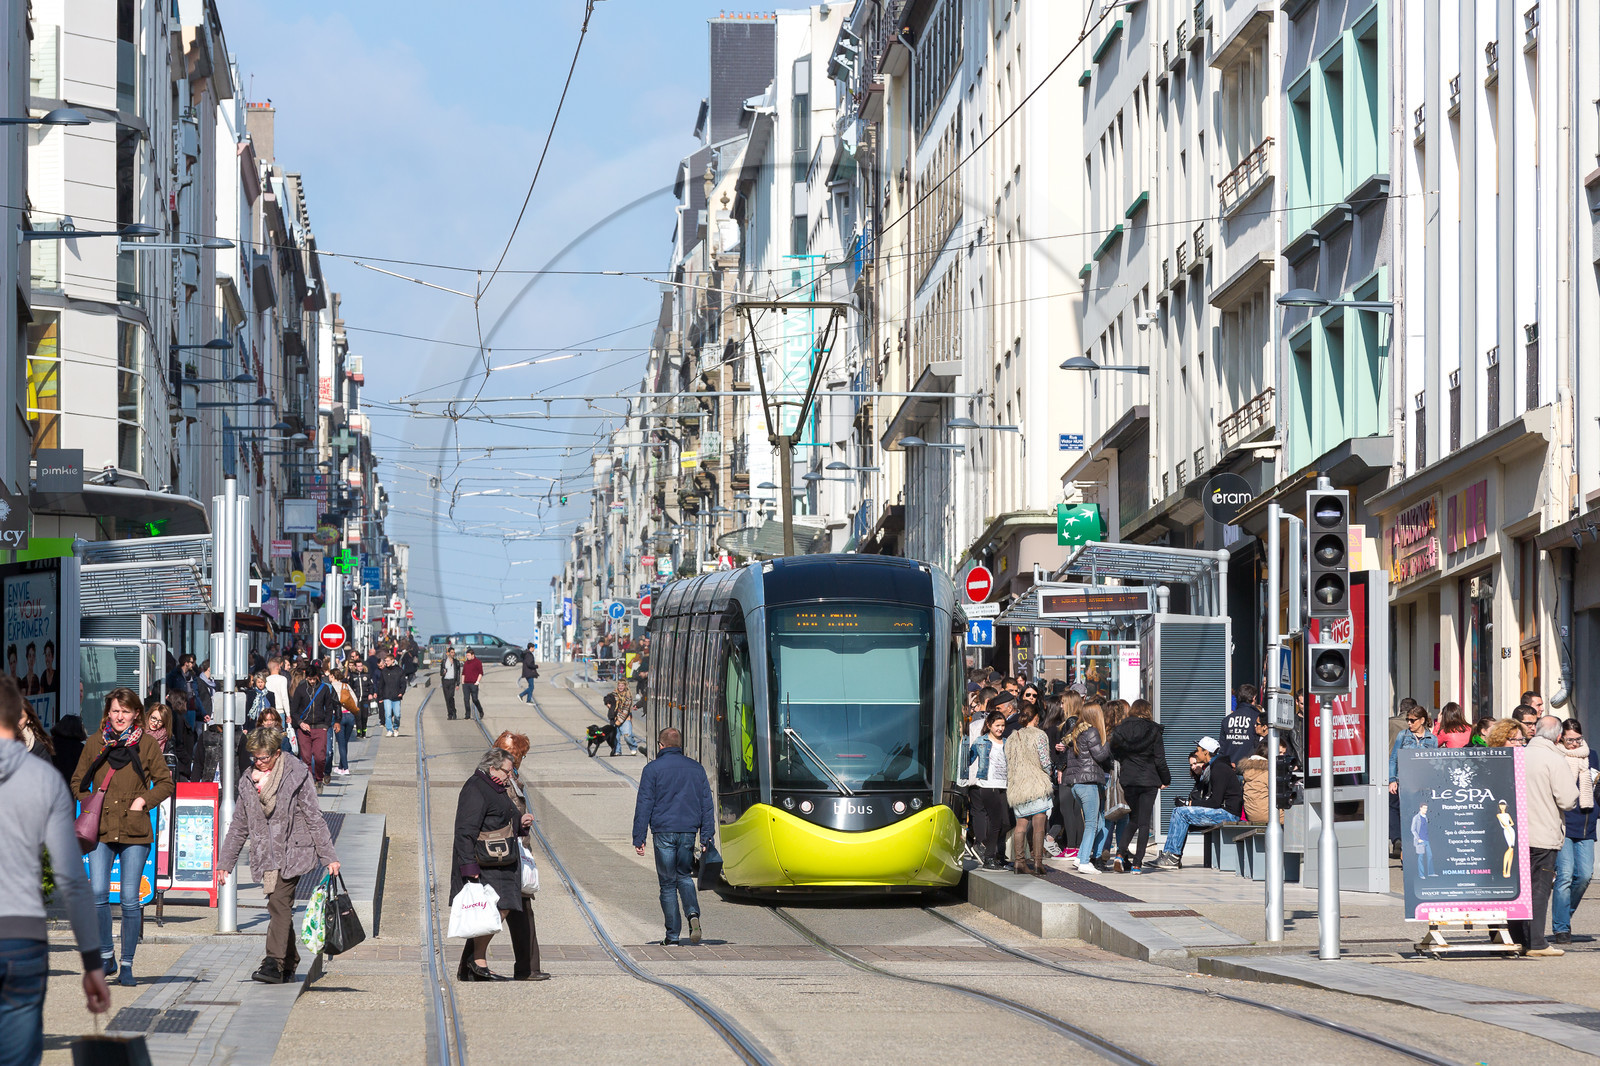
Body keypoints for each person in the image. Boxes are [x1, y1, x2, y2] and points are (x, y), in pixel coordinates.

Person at [0, 678, 110, 1059]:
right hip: (21, 937)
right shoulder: (44, 779)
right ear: (18, 719)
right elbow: (72, 880)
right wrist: (92, 962)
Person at [217, 727, 340, 984]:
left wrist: (329, 857)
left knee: (278, 903)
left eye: (264, 757)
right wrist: (225, 863)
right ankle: (290, 960)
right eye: (255, 757)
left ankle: (273, 962)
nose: (259, 762)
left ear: (276, 752)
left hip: (294, 851)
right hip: (267, 854)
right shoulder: (248, 781)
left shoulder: (296, 774)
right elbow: (239, 825)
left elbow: (314, 817)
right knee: (279, 906)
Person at [71, 688, 175, 986]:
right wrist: (90, 799)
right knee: (97, 894)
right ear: (108, 712)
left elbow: (165, 783)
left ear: (136, 715)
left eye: (125, 712)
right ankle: (107, 957)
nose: (120, 717)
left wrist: (143, 801)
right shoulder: (95, 743)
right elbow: (77, 780)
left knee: (130, 899)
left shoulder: (146, 745)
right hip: (101, 829)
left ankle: (127, 964)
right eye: (115, 711)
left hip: (134, 830)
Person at [631, 727, 715, 945]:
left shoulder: (652, 769)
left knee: (668, 884)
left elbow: (644, 804)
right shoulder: (696, 769)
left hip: (663, 831)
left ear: (660, 746)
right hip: (688, 831)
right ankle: (693, 915)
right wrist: (706, 836)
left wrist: (639, 838)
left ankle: (672, 936)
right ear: (680, 746)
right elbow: (707, 804)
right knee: (685, 876)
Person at [451, 748, 530, 980]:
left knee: (498, 909)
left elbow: (503, 815)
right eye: (508, 771)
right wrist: (468, 867)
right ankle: (476, 962)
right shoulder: (475, 788)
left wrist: (521, 821)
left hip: (500, 862)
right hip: (483, 863)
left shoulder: (495, 787)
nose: (510, 775)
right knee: (492, 911)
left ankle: (473, 964)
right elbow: (464, 831)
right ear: (492, 768)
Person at [1512, 716, 1580, 956]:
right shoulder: (1554, 759)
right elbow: (1568, 799)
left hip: (1514, 833)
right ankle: (1537, 943)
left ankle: (1516, 939)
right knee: (1539, 889)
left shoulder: (1517, 755)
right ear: (1559, 736)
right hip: (1542, 833)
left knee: (1517, 889)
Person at [491, 731, 551, 980]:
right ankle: (473, 962)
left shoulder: (512, 778)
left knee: (520, 910)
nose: (519, 759)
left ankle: (528, 967)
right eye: (519, 755)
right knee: (500, 911)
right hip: (505, 852)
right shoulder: (501, 780)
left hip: (516, 850)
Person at [1146, 737, 1242, 871]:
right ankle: (1169, 855)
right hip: (1223, 811)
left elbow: (1215, 802)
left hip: (1228, 814)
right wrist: (1188, 803)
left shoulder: (1219, 768)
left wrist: (1189, 803)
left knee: (1181, 812)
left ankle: (1173, 857)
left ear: (1206, 752)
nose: (1196, 754)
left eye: (1198, 750)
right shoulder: (1215, 767)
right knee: (1178, 811)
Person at [1552, 718, 1598, 945]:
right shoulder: (1556, 756)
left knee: (1585, 875)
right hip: (1563, 822)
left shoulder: (1592, 756)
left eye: (1577, 739)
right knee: (1565, 876)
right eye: (1570, 740)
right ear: (1561, 737)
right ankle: (1561, 928)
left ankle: (1564, 915)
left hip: (1586, 823)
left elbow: (1597, 786)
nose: (1574, 744)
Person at [1110, 699, 1169, 872]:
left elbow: (1114, 752)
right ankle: (1137, 863)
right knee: (1143, 823)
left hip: (1129, 780)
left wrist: (1126, 762)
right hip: (1149, 781)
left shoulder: (1121, 730)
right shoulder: (1154, 731)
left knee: (1133, 819)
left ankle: (1120, 854)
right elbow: (1160, 760)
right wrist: (1166, 780)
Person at [1060, 701, 1111, 876]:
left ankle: (1081, 855)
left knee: (1100, 823)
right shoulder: (1092, 732)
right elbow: (1101, 755)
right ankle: (1084, 861)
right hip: (1087, 783)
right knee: (1091, 824)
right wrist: (1109, 742)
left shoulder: (1077, 731)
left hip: (1076, 783)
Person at [1004, 704, 1053, 876]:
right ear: (1036, 717)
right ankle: (1038, 863)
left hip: (1018, 785)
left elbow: (1008, 762)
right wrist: (1050, 773)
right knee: (1039, 822)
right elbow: (1045, 761)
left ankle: (1019, 862)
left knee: (1021, 824)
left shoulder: (1012, 737)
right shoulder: (1040, 735)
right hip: (1036, 783)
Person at [1387, 701, 1437, 857]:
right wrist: (1392, 780)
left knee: (1420, 818)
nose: (1409, 723)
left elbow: (1434, 763)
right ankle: (1404, 852)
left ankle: (1419, 852)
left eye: (1412, 720)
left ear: (1422, 720)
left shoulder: (1431, 738)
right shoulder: (1403, 735)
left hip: (1423, 784)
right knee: (1406, 816)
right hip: (1405, 782)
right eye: (1408, 720)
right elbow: (1394, 758)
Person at [290, 663, 338, 787]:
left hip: (320, 726)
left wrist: (326, 725)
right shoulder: (300, 689)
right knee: (305, 757)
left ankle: (319, 777)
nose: (311, 681)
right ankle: (310, 781)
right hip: (304, 728)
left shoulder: (324, 689)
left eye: (313, 678)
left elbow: (329, 708)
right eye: (309, 679)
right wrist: (300, 723)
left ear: (317, 677)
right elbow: (294, 710)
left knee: (320, 757)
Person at [1218, 684, 1259, 766]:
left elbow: (1222, 747)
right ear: (1253, 698)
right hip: (1249, 768)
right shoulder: (1257, 718)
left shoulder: (1227, 720)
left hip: (1229, 768)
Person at [329, 668, 359, 777]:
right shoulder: (345, 686)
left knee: (341, 743)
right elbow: (355, 700)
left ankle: (345, 768)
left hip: (338, 717)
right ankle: (341, 767)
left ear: (332, 676)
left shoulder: (331, 687)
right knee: (345, 742)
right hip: (350, 716)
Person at [377, 653, 406, 736]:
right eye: (385, 661)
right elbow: (381, 685)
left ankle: (396, 727)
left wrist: (401, 692)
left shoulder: (399, 670)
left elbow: (403, 683)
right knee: (388, 713)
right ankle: (389, 729)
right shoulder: (384, 671)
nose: (386, 662)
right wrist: (381, 696)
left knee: (397, 714)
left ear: (393, 660)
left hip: (396, 696)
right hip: (387, 696)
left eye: (388, 661)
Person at [347, 657, 376, 739]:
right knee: (358, 716)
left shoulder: (367, 675)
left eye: (361, 666)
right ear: (355, 667)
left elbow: (371, 686)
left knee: (365, 716)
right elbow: (351, 687)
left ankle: (364, 731)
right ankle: (359, 732)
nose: (360, 667)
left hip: (365, 699)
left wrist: (371, 693)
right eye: (358, 666)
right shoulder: (353, 676)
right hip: (357, 699)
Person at [612, 680, 643, 756]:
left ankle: (633, 747)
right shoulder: (614, 694)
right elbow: (609, 702)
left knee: (627, 735)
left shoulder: (628, 695)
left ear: (625, 686)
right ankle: (617, 750)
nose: (620, 687)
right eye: (619, 686)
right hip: (615, 717)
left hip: (625, 718)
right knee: (615, 736)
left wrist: (619, 721)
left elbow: (626, 710)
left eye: (622, 686)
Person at [1411, 803, 1437, 878]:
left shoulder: (1426, 817)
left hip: (1426, 839)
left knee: (1430, 855)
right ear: (1420, 808)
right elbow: (1413, 829)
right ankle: (1421, 874)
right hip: (1420, 840)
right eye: (1424, 808)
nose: (1425, 810)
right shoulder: (1416, 817)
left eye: (1426, 808)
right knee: (1421, 857)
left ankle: (1431, 873)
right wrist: (1418, 839)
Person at [460, 649, 484, 720]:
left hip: (474, 683)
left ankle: (480, 710)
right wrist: (463, 682)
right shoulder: (466, 663)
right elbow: (463, 673)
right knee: (466, 699)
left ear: (472, 655)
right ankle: (467, 714)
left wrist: (477, 682)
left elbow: (480, 673)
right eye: (466, 655)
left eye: (468, 655)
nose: (467, 657)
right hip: (466, 684)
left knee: (475, 699)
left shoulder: (478, 662)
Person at [439, 647, 461, 721]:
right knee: (447, 698)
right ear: (448, 653)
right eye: (451, 652)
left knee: (451, 696)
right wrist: (443, 672)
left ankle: (454, 711)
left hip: (452, 681)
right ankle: (450, 714)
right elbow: (441, 672)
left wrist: (458, 683)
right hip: (445, 681)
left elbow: (458, 673)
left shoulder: (456, 662)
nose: (453, 654)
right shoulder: (444, 661)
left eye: (454, 652)